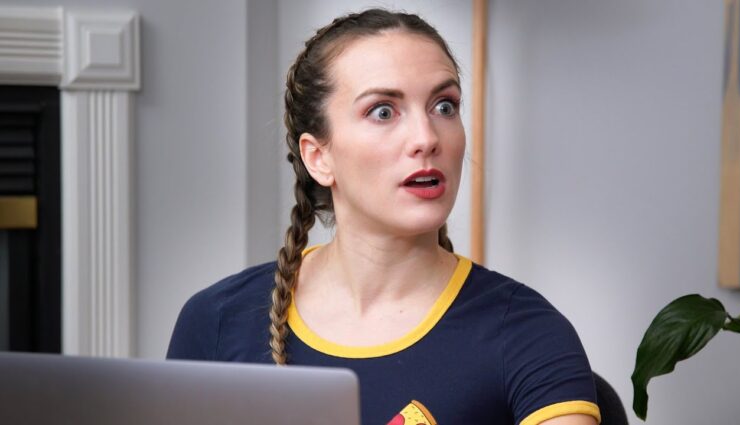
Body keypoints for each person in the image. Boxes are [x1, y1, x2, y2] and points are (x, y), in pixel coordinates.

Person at [167, 8, 600, 425]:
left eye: (444, 106)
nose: (426, 138)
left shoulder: (528, 332)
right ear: (318, 157)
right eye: (383, 112)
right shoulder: (216, 320)